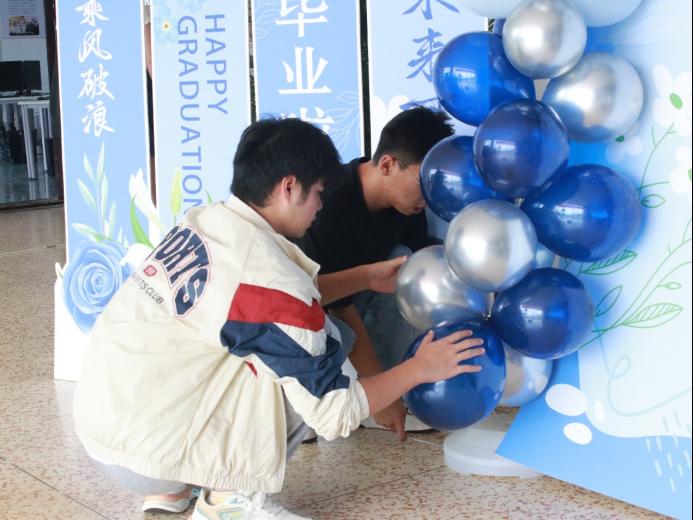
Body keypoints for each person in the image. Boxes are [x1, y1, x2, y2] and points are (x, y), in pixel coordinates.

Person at [72, 118, 485, 519]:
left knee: (260, 339)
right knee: (326, 338)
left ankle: (176, 489)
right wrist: (419, 369)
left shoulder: (208, 221)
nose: (321, 204)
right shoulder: (270, 279)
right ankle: (230, 499)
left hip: (107, 428)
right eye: (318, 192)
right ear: (289, 187)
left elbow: (257, 300)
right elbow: (334, 411)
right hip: (145, 453)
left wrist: (364, 277)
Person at [297, 106, 455, 441]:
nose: (429, 197)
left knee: (410, 262)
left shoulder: (407, 205)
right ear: (387, 165)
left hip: (358, 301)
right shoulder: (329, 204)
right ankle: (352, 400)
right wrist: (379, 397)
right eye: (424, 182)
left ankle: (398, 388)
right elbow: (338, 307)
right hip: (311, 310)